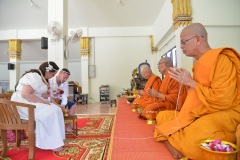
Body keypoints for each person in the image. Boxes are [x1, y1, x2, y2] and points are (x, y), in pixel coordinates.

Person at [153, 23, 240, 159]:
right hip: (203, 110)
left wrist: (190, 82)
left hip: (225, 111)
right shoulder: (199, 64)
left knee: (194, 135)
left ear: (198, 39)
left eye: (183, 42)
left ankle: (231, 136)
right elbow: (196, 97)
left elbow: (224, 99)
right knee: (163, 116)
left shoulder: (221, 60)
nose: (181, 46)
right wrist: (187, 84)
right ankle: (179, 141)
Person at [11, 61, 65, 151]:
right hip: (22, 104)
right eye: (52, 74)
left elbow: (45, 96)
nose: (53, 76)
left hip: (31, 102)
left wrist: (56, 104)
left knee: (56, 109)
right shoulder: (33, 76)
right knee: (51, 112)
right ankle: (51, 144)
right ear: (47, 72)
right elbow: (26, 95)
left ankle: (57, 140)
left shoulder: (42, 78)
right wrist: (44, 102)